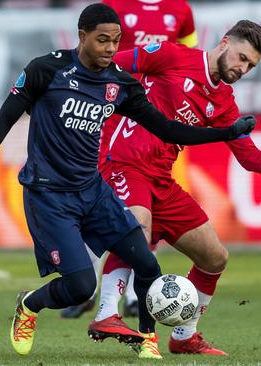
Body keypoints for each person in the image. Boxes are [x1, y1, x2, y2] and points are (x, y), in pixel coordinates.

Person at [0, 3, 254, 360]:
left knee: (148, 264)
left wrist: (225, 132)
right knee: (80, 287)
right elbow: (1, 124)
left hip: (92, 193)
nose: (110, 49)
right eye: (103, 40)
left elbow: (167, 129)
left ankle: (147, 342)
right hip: (49, 195)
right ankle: (29, 305)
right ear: (82, 37)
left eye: (116, 41)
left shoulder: (119, 83)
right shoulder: (46, 70)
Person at [88, 20, 261, 356]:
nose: (243, 68)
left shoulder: (223, 103)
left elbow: (249, 157)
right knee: (137, 232)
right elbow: (113, 64)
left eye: (250, 65)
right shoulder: (173, 56)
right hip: (123, 161)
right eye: (242, 58)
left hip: (161, 178)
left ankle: (184, 336)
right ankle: (107, 313)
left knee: (215, 257)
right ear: (225, 42)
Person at [61, 0, 199, 320]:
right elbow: (92, 55)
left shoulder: (180, 9)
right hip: (112, 109)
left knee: (144, 207)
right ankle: (86, 288)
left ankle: (137, 296)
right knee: (95, 201)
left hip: (154, 119)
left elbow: (189, 57)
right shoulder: (114, 6)